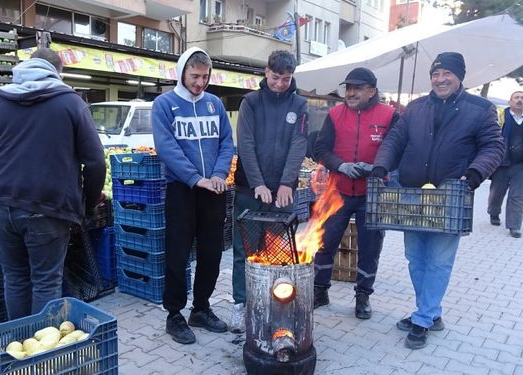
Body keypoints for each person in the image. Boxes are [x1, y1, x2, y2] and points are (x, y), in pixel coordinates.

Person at [371, 52, 505, 349]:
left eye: (447, 73)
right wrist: (382, 164)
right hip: (412, 197)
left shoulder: (480, 109)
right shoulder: (416, 108)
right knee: (415, 258)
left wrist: (474, 174)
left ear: (459, 76)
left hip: (450, 197)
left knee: (439, 261)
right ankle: (431, 313)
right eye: (435, 74)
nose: (440, 79)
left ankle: (423, 318)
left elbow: (494, 146)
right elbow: (395, 140)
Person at [0, 48, 106, 319]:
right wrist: (88, 206)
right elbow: (96, 162)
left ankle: (19, 346)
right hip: (47, 208)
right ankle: (40, 356)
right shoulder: (70, 102)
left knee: (15, 278)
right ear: (58, 72)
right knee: (45, 281)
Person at [152, 47, 234, 344]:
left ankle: (201, 308)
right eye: (195, 75)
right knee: (177, 253)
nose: (200, 82)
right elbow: (166, 147)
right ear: (182, 72)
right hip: (181, 190)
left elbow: (227, 142)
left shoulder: (215, 104)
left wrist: (217, 175)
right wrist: (194, 178)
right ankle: (174, 314)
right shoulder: (164, 105)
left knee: (212, 253)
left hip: (213, 190)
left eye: (205, 76)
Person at [229, 50, 309, 333]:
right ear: (266, 72)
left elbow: (299, 144)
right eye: (275, 77)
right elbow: (246, 144)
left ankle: (277, 304)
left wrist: (287, 183)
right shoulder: (250, 102)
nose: (279, 84)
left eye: (285, 79)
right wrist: (258, 183)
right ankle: (240, 304)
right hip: (250, 189)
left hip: (283, 194)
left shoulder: (300, 105)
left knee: (280, 253)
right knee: (245, 250)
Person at [312, 67, 400, 320]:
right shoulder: (335, 114)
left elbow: (397, 150)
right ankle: (320, 290)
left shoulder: (389, 115)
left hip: (372, 192)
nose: (350, 93)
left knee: (370, 247)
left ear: (372, 91)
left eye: (357, 88)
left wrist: (377, 168)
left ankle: (363, 296)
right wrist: (340, 165)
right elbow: (321, 148)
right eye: (348, 88)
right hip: (338, 190)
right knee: (325, 242)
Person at [487, 91, 523, 238]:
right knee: (497, 193)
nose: (520, 100)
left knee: (517, 196)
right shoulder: (501, 116)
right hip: (501, 162)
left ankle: (514, 226)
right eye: (517, 98)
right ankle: (494, 213)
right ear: (510, 102)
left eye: (522, 98)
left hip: (520, 164)